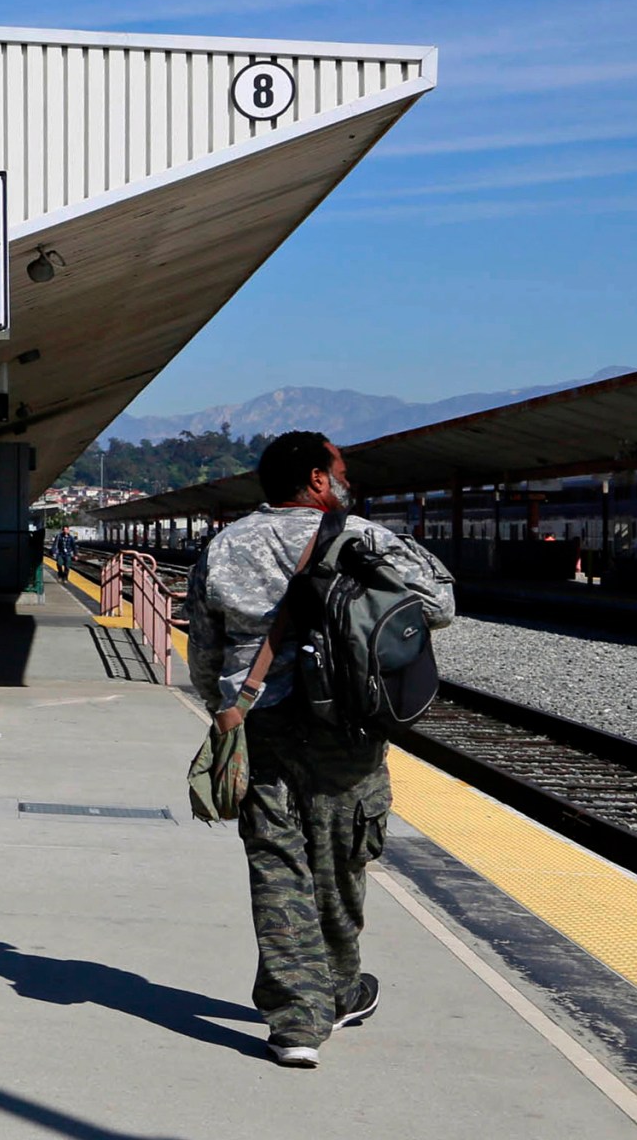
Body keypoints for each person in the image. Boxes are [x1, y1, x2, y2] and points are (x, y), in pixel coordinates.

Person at [185, 431, 455, 1068]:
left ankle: (295, 1022)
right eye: (340, 470)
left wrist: (225, 710)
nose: (346, 481)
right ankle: (337, 988)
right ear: (315, 480)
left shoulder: (226, 547)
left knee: (278, 865)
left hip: (264, 726)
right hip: (348, 730)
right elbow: (438, 605)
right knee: (340, 860)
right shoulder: (363, 537)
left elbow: (204, 647)